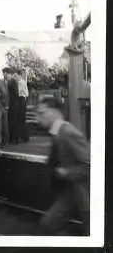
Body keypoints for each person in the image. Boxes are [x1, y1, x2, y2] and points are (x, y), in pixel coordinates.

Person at [35, 97, 90, 236]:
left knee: (93, 233)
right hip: (71, 191)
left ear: (55, 113)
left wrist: (66, 172)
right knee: (48, 224)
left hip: (85, 193)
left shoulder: (68, 132)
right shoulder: (57, 133)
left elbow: (91, 164)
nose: (38, 118)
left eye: (42, 113)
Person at [2, 67, 19, 144]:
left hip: (13, 104)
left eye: (4, 73)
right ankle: (12, 138)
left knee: (13, 121)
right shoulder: (8, 81)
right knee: (10, 121)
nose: (4, 75)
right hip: (11, 103)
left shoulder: (12, 81)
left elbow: (15, 93)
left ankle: (15, 139)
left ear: (8, 73)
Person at [15, 69, 30, 143]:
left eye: (16, 76)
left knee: (20, 119)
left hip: (21, 100)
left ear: (19, 75)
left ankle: (24, 137)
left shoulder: (20, 82)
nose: (15, 77)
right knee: (22, 119)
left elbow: (18, 92)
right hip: (23, 100)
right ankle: (24, 137)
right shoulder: (23, 82)